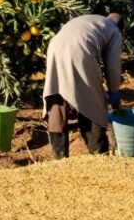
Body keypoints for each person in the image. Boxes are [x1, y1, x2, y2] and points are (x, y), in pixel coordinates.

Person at [42, 13, 124, 159]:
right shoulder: (114, 31)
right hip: (80, 50)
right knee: (92, 101)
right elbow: (113, 65)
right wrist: (114, 91)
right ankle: (99, 153)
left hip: (54, 46)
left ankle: (58, 156)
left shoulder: (94, 20)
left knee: (56, 96)